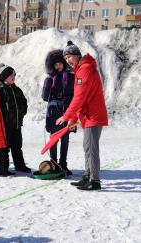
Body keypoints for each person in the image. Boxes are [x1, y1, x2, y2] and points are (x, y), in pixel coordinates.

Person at [56, 41, 108, 190]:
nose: (68, 61)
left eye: (69, 57)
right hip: (87, 116)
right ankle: (88, 176)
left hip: (93, 116)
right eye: (65, 59)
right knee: (87, 148)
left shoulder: (85, 70)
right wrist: (73, 119)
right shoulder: (80, 70)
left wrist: (66, 117)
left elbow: (79, 97)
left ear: (77, 55)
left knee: (92, 149)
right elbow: (81, 98)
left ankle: (95, 181)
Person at [42, 49, 75, 176]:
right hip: (53, 112)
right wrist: (47, 86)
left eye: (60, 63)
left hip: (67, 111)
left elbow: (75, 95)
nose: (58, 66)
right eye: (56, 64)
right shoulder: (50, 79)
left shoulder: (71, 77)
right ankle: (53, 164)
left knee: (65, 139)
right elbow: (45, 97)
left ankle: (63, 164)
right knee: (54, 139)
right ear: (52, 66)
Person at [0, 64, 31, 173]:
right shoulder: (1, 90)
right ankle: (4, 168)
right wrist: (6, 118)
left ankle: (20, 165)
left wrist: (22, 112)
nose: (14, 77)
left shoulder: (17, 89)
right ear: (5, 77)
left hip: (17, 123)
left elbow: (24, 102)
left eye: (14, 75)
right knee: (5, 147)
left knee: (17, 146)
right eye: (12, 75)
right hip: (6, 124)